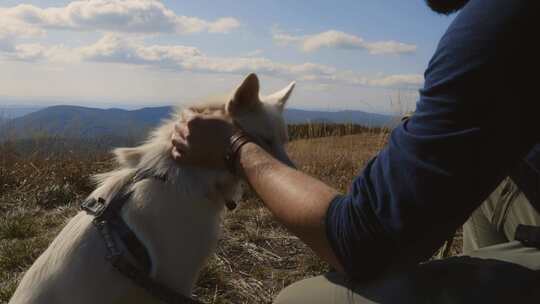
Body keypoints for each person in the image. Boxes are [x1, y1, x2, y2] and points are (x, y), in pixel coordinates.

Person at [171, 0, 540, 302]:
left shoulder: (501, 22)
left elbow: (360, 242)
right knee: (490, 182)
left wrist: (235, 147)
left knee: (300, 301)